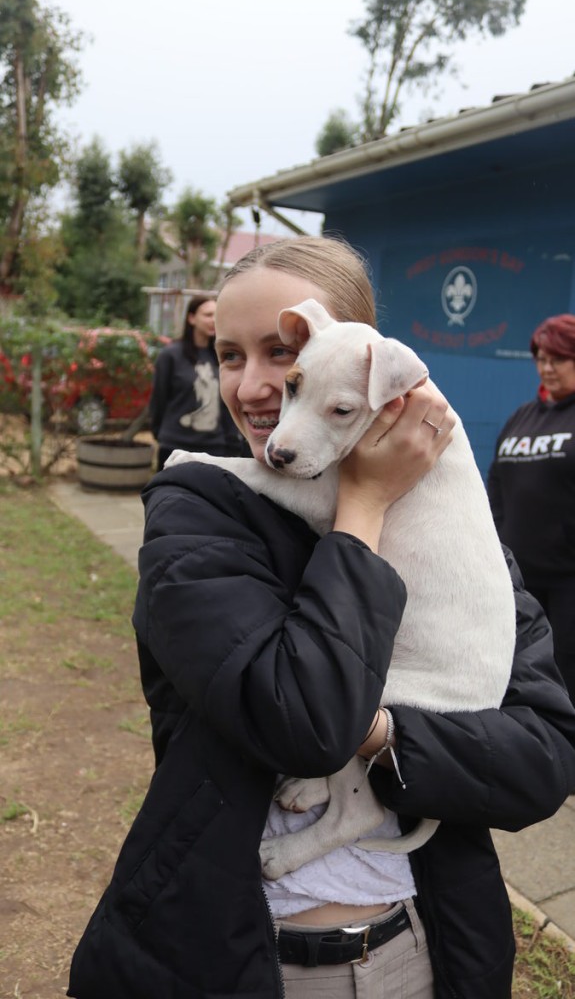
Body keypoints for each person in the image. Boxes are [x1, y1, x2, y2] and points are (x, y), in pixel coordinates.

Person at [68, 238, 575, 999]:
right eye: (230, 355)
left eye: (282, 351)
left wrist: (378, 734)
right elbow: (301, 723)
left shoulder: (466, 544)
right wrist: (365, 503)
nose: (253, 386)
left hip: (423, 946)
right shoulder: (197, 517)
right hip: (244, 956)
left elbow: (541, 762)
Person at [487, 313, 575, 704]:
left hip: (568, 583)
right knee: (519, 676)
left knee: (566, 677)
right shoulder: (522, 418)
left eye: (557, 358)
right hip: (520, 583)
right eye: (540, 359)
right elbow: (497, 487)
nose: (546, 368)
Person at [149, 292, 244, 468]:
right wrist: (159, 433)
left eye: (217, 315)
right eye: (208, 315)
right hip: (175, 447)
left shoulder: (221, 356)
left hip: (214, 448)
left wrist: (231, 441)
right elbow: (159, 399)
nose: (213, 320)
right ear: (191, 318)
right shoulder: (171, 355)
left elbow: (227, 403)